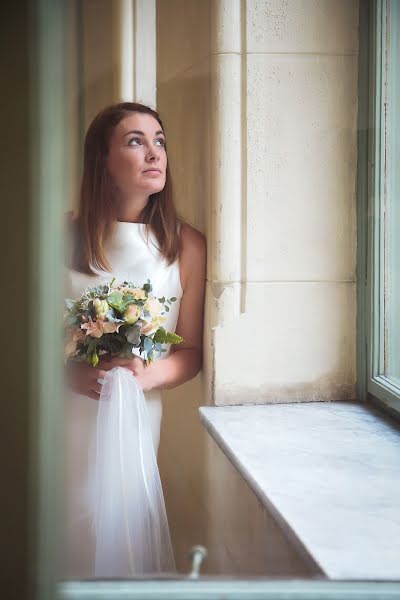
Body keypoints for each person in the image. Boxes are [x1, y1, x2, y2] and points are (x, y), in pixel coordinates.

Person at [63, 101, 207, 578]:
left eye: (159, 141)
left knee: (120, 532)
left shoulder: (186, 245)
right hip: (64, 416)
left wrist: (144, 377)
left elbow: (189, 353)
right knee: (69, 528)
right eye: (135, 141)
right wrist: (67, 370)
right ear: (101, 161)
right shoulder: (61, 237)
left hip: (136, 417)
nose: (154, 153)